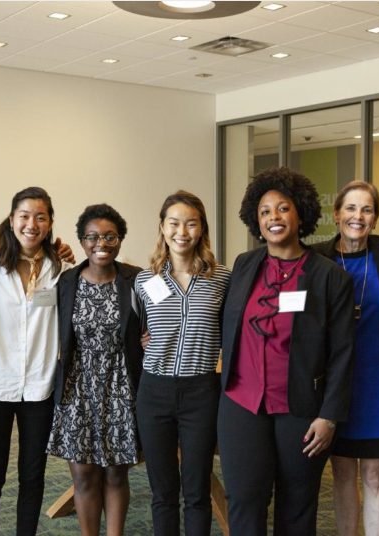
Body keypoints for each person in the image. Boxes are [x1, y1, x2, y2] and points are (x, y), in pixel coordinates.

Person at [218, 166, 355, 536]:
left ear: (301, 214)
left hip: (301, 409)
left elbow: (343, 354)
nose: (273, 217)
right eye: (264, 211)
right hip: (241, 403)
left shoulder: (329, 277)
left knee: (297, 504)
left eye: (282, 208)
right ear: (255, 220)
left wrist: (329, 416)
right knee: (244, 499)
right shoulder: (245, 265)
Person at [0, 186, 71, 535]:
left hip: (39, 388)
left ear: (50, 223)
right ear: (12, 219)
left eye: (40, 217)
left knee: (33, 474)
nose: (32, 224)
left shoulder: (61, 269)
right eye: (25, 216)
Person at [134, 191, 230, 536]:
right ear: (162, 227)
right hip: (154, 391)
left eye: (191, 223)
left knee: (197, 490)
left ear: (202, 228)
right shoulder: (144, 281)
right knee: (162, 492)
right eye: (174, 223)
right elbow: (136, 331)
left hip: (202, 391)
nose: (182, 231)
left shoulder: (222, 278)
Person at [313, 181, 379, 536]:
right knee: (342, 473)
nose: (358, 216)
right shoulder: (318, 256)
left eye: (367, 210)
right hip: (337, 385)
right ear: (336, 214)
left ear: (376, 219)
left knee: (375, 473)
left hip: (378, 380)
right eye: (351, 208)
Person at [47, 204, 143, 536]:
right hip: (78, 387)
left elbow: (156, 321)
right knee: (84, 474)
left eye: (109, 236)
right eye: (92, 237)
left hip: (121, 387)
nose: (101, 243)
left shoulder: (136, 279)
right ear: (82, 241)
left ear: (120, 240)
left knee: (117, 473)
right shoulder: (66, 281)